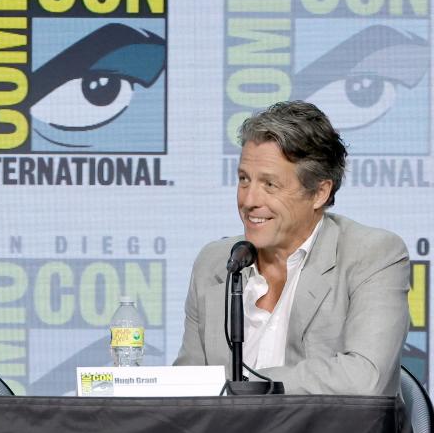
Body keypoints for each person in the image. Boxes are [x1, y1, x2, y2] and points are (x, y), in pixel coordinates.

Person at [175, 100, 409, 395]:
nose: (248, 200)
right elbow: (187, 388)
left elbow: (364, 377)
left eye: (270, 185)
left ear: (319, 193)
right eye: (244, 180)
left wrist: (247, 387)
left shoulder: (372, 255)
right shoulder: (215, 261)